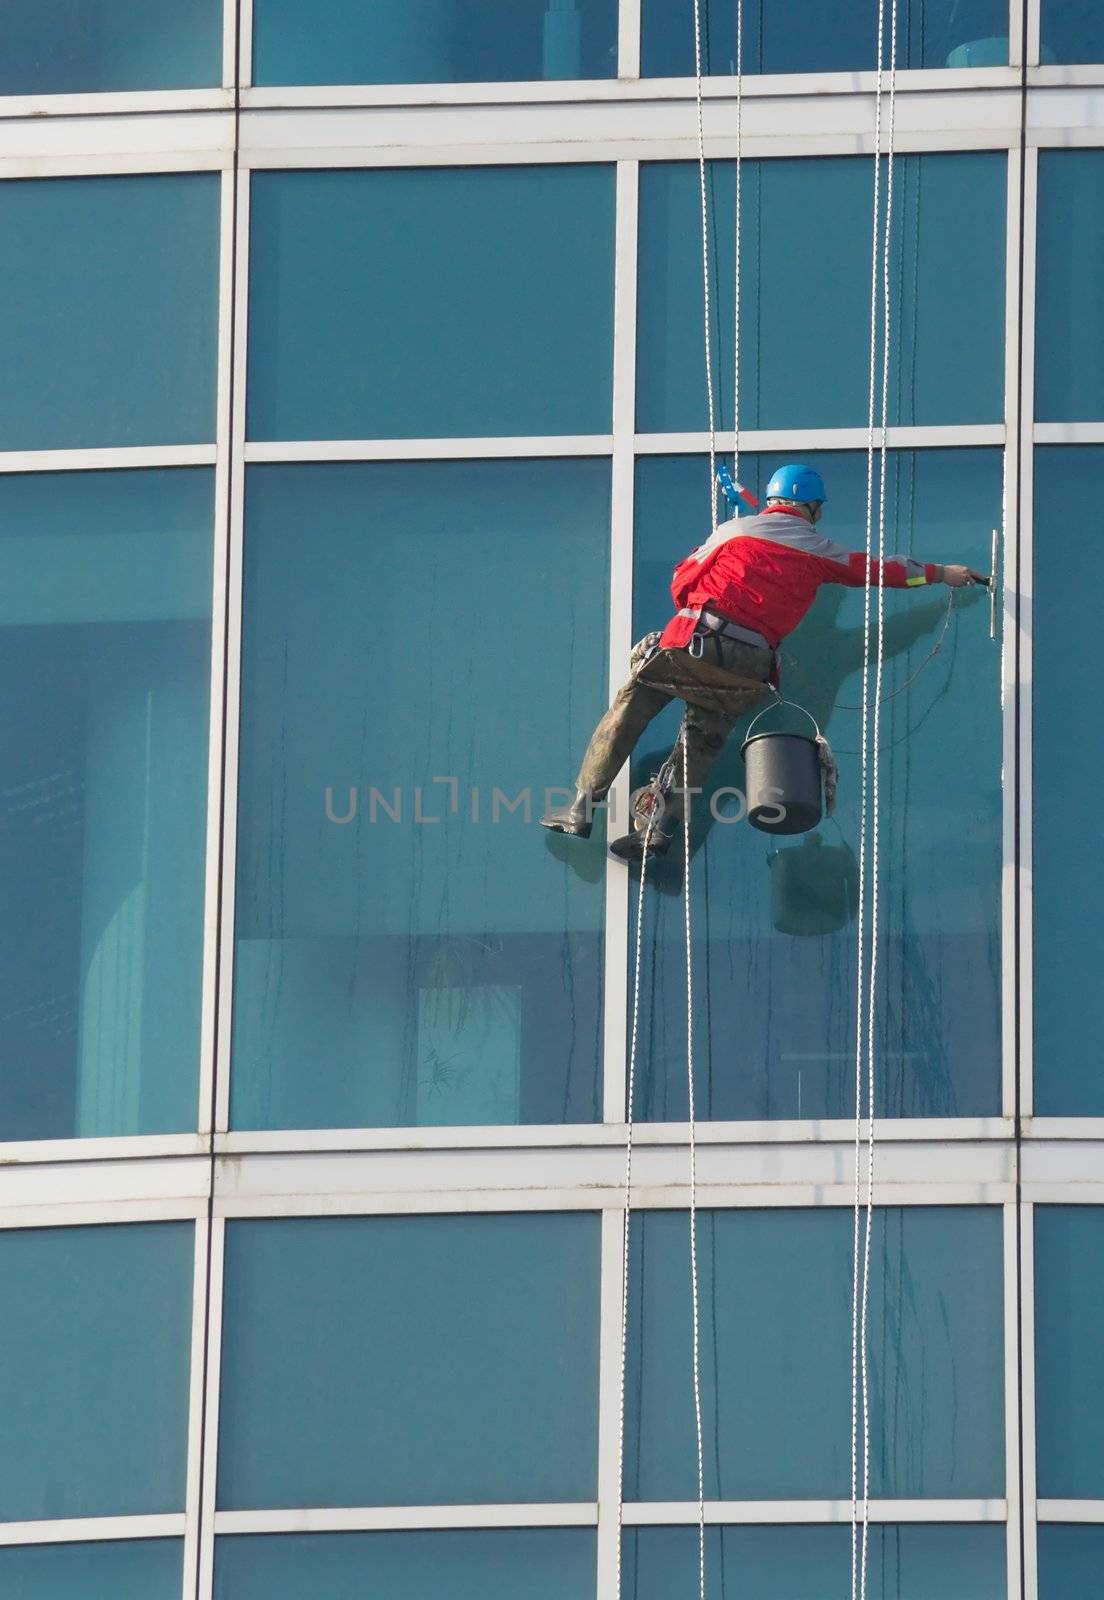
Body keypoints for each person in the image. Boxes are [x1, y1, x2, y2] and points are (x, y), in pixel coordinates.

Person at [540, 463, 987, 859]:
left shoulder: (732, 532)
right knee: (701, 742)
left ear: (774, 500)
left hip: (696, 643)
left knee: (631, 707)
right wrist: (942, 574)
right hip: (747, 667)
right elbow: (883, 571)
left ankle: (582, 806)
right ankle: (658, 826)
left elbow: (680, 582)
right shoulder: (822, 552)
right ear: (811, 507)